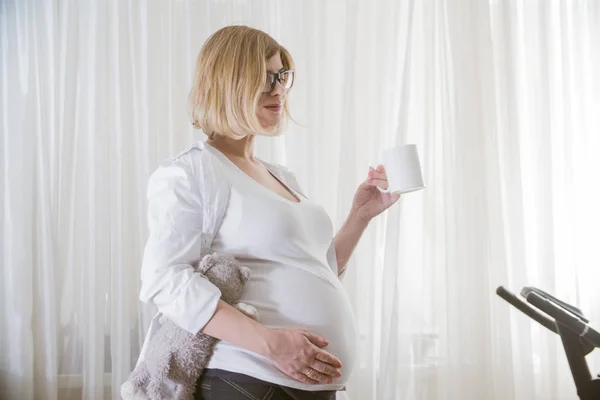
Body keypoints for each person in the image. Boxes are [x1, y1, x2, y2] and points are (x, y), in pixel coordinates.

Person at [138, 25, 400, 400]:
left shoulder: (280, 176)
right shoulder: (191, 171)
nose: (278, 89)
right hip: (246, 379)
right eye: (264, 79)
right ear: (228, 84)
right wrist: (273, 344)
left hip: (304, 386)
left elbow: (315, 268)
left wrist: (360, 216)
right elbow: (164, 280)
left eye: (282, 76)